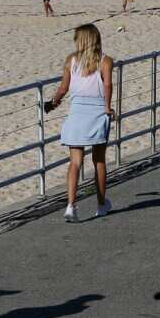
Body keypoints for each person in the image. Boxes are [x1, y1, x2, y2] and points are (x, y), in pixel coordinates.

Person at [47, 24, 115, 222]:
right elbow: (108, 85)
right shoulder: (105, 62)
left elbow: (63, 88)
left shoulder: (71, 60)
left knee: (75, 162)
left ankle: (71, 205)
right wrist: (108, 107)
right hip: (96, 114)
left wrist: (53, 102)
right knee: (99, 161)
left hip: (76, 114)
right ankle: (101, 204)